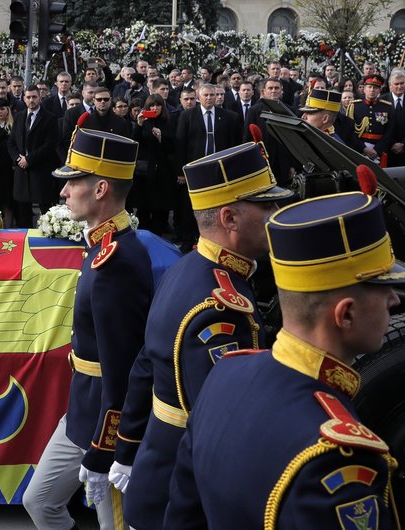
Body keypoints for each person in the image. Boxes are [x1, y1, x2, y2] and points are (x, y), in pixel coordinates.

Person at [165, 191, 405, 529]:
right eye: (381, 286)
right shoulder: (336, 460)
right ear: (346, 314)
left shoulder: (227, 370)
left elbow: (183, 515)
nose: (394, 299)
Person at [110, 142, 292, 530]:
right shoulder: (220, 304)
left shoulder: (188, 267)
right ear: (229, 217)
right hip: (179, 504)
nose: (277, 216)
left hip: (157, 479)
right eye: (267, 207)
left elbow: (146, 366)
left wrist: (126, 449)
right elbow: (219, 433)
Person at [23, 128, 152, 530]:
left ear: (100, 189)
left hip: (103, 418)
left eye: (72, 182)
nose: (63, 192)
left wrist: (105, 447)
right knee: (39, 500)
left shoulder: (115, 262)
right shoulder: (102, 245)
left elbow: (124, 368)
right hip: (83, 406)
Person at [175, 84, 242, 248]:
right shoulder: (187, 115)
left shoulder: (230, 117)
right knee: (191, 205)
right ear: (199, 97)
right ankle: (189, 240)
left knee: (217, 206)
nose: (210, 98)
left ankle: (215, 240)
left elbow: (235, 145)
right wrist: (181, 172)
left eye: (213, 95)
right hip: (194, 168)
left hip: (219, 170)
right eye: (206, 95)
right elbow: (180, 145)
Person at [7, 85, 59, 227]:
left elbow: (49, 145)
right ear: (24, 99)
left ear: (40, 97)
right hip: (21, 172)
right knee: (23, 213)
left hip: (41, 171)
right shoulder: (18, 116)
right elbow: (11, 142)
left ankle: (48, 241)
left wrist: (29, 160)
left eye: (34, 97)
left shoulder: (50, 118)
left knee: (46, 210)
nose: (31, 100)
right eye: (28, 97)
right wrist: (18, 159)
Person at [133, 94, 175, 235]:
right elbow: (135, 142)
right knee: (144, 205)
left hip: (163, 169)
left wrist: (161, 137)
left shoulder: (168, 121)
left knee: (160, 206)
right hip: (145, 170)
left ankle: (159, 232)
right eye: (152, 106)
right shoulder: (144, 121)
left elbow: (173, 146)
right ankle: (143, 232)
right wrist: (139, 124)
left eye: (158, 105)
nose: (155, 108)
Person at [347, 74, 395, 166]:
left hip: (379, 150)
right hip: (359, 149)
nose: (372, 90)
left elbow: (389, 131)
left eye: (376, 88)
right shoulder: (354, 106)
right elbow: (350, 131)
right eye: (369, 87)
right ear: (364, 89)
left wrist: (377, 149)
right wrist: (363, 148)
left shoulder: (387, 107)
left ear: (379, 90)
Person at [299, 88, 364, 153]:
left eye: (309, 113)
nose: (303, 117)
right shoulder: (316, 136)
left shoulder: (335, 147)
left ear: (325, 119)